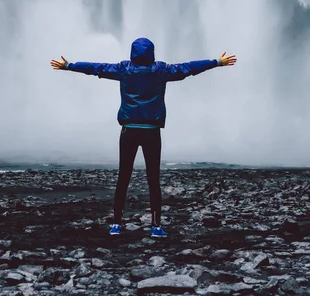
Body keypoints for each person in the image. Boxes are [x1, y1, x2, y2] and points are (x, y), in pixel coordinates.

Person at [50, 37, 236, 238]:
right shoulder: (161, 70)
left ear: (132, 53)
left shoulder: (124, 69)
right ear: (152, 53)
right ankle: (156, 226)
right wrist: (216, 62)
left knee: (123, 178)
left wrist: (69, 65)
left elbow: (97, 68)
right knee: (153, 179)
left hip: (129, 129)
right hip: (152, 130)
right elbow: (188, 68)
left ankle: (116, 224)